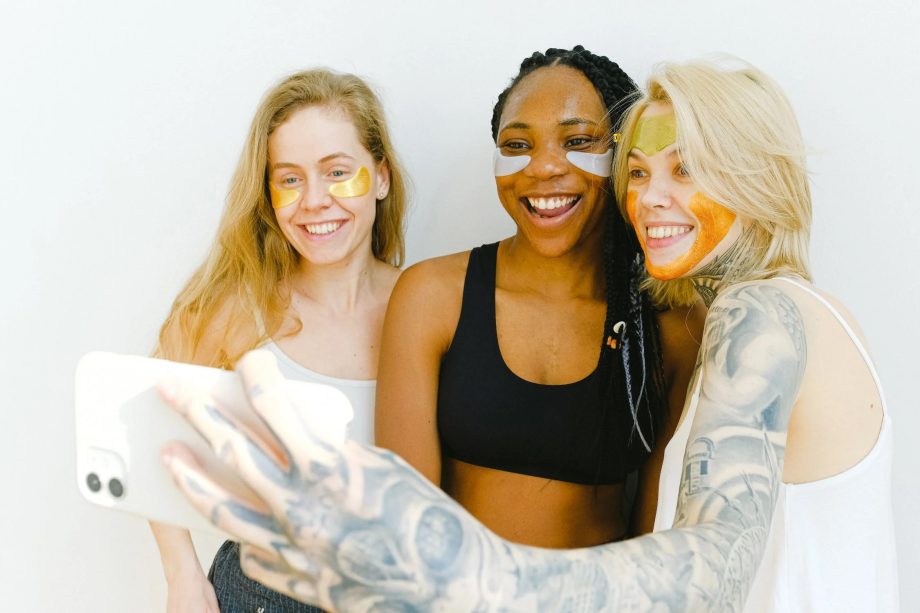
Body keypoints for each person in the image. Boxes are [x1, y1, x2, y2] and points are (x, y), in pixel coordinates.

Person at [160, 57, 897, 612]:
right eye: (638, 171)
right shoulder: (775, 319)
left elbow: (712, 564)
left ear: (758, 176)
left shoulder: (759, 318)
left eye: (690, 168)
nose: (652, 198)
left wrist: (471, 573)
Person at [375, 46, 702, 548]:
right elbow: (405, 527)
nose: (544, 166)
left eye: (577, 140)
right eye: (517, 144)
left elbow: (656, 538)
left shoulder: (671, 323)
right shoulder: (432, 296)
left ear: (622, 156)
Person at [149, 69, 408, 612]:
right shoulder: (238, 309)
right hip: (261, 594)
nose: (314, 200)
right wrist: (183, 578)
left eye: (338, 172)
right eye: (289, 179)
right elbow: (148, 421)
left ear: (380, 177)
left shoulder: (425, 303)